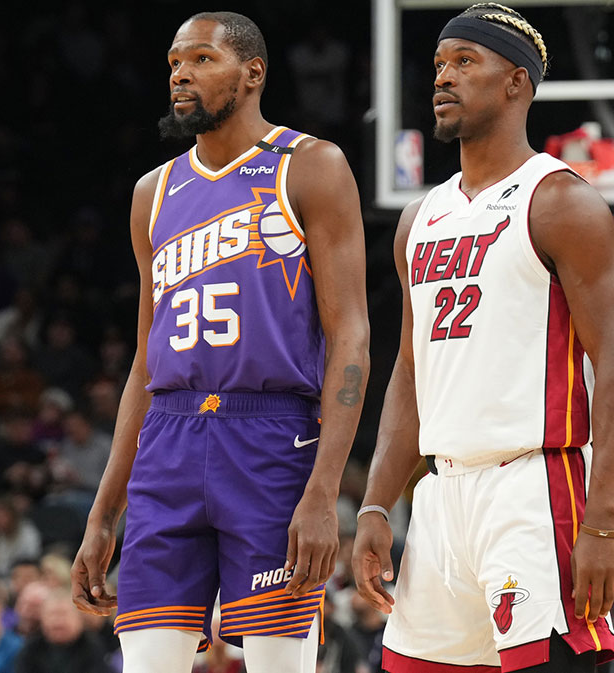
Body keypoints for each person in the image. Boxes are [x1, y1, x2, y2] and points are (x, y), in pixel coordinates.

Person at [69, 10, 369, 673]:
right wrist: (103, 510)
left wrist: (325, 492)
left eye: (201, 59)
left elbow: (351, 334)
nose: (180, 74)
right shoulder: (153, 192)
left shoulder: (311, 166)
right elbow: (145, 360)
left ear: (252, 73)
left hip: (269, 440)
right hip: (167, 446)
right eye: (175, 62)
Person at [351, 4, 614, 672]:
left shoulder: (561, 201)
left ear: (516, 82)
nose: (443, 78)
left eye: (464, 62)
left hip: (534, 486)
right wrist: (376, 501)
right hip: (442, 493)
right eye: (438, 65)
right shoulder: (419, 218)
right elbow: (410, 371)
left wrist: (604, 517)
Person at [13, 591, 106, 673]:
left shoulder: (93, 648)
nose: (57, 622)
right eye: (52, 615)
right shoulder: (30, 649)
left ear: (79, 618)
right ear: (42, 618)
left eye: (63, 614)